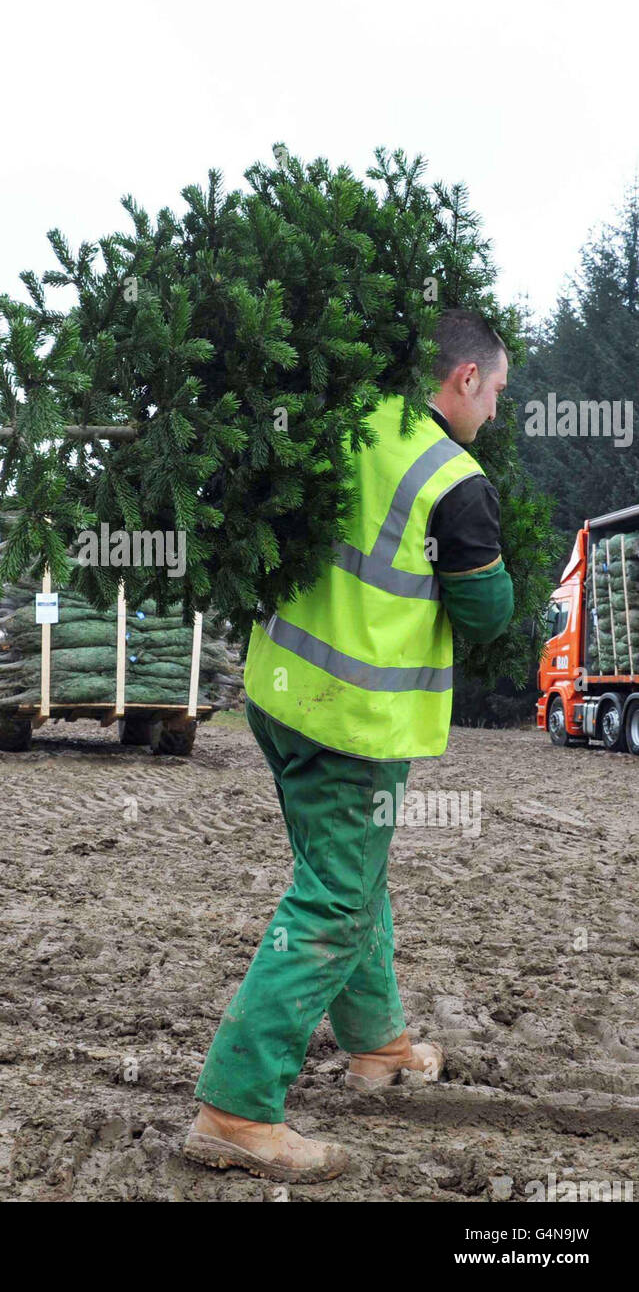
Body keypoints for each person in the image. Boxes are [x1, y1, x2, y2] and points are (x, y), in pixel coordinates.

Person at [184, 308, 515, 1183]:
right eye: (497, 393)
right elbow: (485, 615)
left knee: (350, 876)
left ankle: (378, 1046)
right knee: (331, 899)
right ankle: (235, 1109)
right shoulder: (453, 478)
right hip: (354, 725)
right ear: (464, 379)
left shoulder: (340, 422)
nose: (495, 415)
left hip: (277, 696)